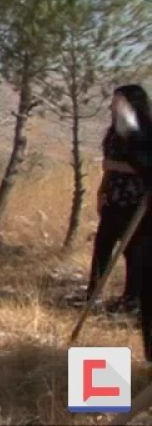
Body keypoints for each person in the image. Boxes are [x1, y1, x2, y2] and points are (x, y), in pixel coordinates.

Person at [104, 84, 152, 373]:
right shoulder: (123, 134)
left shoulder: (142, 133)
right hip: (132, 210)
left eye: (117, 104)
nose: (112, 108)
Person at [86, 88, 147, 314]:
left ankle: (132, 299)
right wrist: (102, 190)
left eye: (116, 102)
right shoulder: (114, 132)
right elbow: (108, 165)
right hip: (114, 197)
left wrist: (114, 166)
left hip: (136, 201)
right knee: (102, 244)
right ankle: (92, 293)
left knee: (133, 250)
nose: (111, 106)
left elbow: (144, 167)